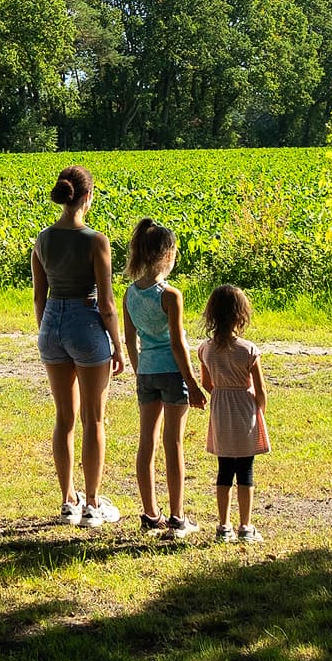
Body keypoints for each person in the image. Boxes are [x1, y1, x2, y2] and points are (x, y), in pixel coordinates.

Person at [30, 164, 121, 525]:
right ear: (87, 197)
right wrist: (117, 344)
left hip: (52, 324)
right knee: (94, 419)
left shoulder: (42, 239)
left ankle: (68, 500)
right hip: (86, 324)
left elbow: (40, 296)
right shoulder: (96, 241)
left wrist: (48, 331)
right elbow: (108, 303)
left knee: (64, 418)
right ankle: (93, 504)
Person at [119, 219, 205, 536]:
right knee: (174, 444)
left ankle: (150, 515)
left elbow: (130, 340)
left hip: (147, 373)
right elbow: (179, 344)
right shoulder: (170, 295)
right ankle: (178, 517)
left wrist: (140, 369)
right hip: (172, 373)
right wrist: (193, 383)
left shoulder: (129, 294)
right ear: (167, 255)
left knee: (147, 444)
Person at [198, 283, 271, 542]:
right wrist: (258, 409)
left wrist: (221, 390)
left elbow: (206, 384)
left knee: (224, 470)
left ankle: (223, 525)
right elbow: (260, 390)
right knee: (246, 471)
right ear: (241, 315)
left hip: (221, 410)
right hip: (244, 409)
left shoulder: (205, 349)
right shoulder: (249, 350)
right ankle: (245, 526)